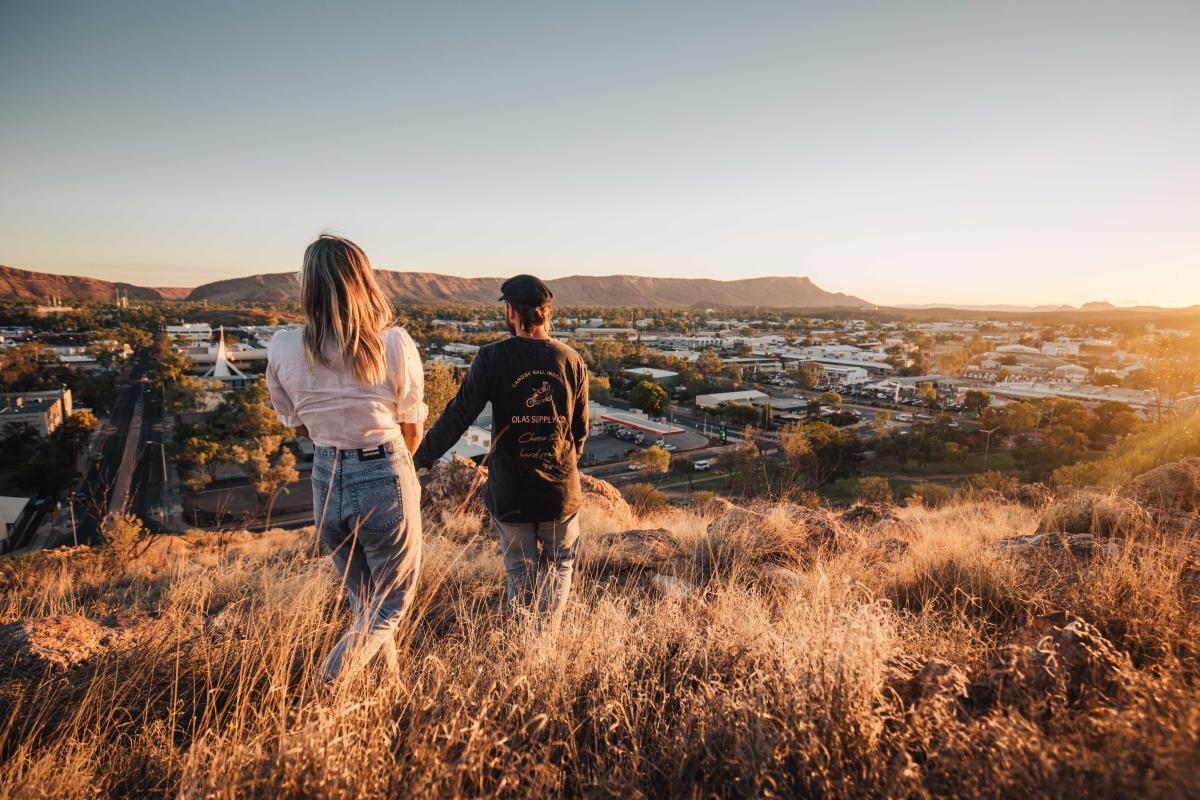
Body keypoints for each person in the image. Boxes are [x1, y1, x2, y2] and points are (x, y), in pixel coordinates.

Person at [266, 234, 426, 683]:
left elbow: (295, 422)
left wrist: (331, 439)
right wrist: (389, 468)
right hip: (382, 471)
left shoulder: (283, 347)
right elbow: (412, 427)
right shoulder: (392, 344)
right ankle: (327, 684)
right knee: (391, 604)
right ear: (363, 281)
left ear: (309, 286)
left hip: (325, 476)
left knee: (366, 602)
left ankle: (389, 690)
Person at [414, 275, 589, 628]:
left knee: (520, 571)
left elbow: (458, 415)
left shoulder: (492, 357)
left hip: (511, 492)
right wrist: (562, 465)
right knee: (559, 564)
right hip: (559, 492)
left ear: (512, 312)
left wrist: (420, 456)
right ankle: (545, 640)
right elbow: (580, 431)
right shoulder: (571, 360)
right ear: (546, 313)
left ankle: (525, 639)